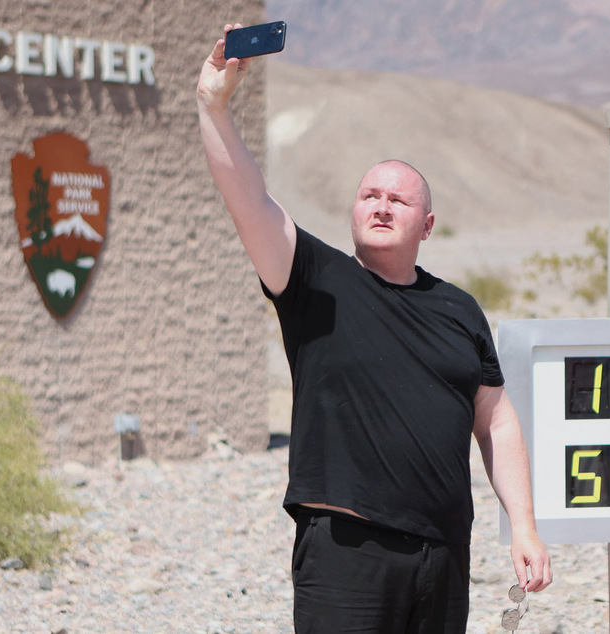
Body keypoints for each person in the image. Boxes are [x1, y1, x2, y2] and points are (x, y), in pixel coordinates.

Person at [196, 24, 552, 633]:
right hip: (346, 554)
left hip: (442, 553)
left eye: (398, 200)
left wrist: (523, 524)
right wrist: (213, 105)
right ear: (354, 209)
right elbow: (249, 200)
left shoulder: (460, 309)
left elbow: (495, 420)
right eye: (369, 195)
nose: (381, 206)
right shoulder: (313, 279)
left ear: (428, 223)